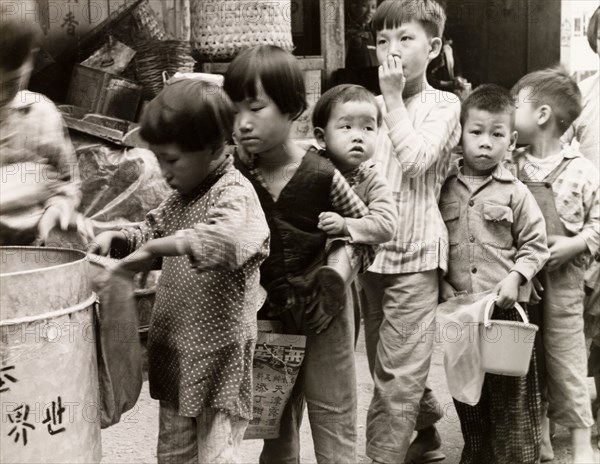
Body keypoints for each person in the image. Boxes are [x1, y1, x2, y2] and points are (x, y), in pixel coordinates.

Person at [90, 79, 270, 463]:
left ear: (214, 148)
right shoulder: (181, 196)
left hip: (219, 360)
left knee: (217, 453)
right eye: (158, 160)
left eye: (172, 160)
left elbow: (225, 240)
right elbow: (152, 229)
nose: (164, 172)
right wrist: (120, 239)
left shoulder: (235, 195)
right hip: (176, 356)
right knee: (173, 454)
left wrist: (155, 248)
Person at [223, 45, 370, 464]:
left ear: (291, 109)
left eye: (255, 108)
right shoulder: (235, 176)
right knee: (275, 421)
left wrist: (338, 275)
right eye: (233, 112)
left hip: (326, 315)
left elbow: (364, 233)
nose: (242, 123)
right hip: (266, 314)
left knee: (334, 412)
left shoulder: (324, 174)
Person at [358, 1, 462, 462]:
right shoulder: (368, 106)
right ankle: (424, 435)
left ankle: (383, 456)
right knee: (386, 363)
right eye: (382, 41)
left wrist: (395, 100)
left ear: (434, 47)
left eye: (405, 39)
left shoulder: (445, 104)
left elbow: (417, 162)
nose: (392, 50)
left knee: (398, 372)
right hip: (370, 252)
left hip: (417, 253)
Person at [439, 84, 549, 463]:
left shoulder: (517, 193)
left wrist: (516, 278)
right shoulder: (444, 189)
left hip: (503, 311)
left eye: (497, 134)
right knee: (466, 390)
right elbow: (436, 241)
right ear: (460, 134)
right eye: (476, 132)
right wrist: (441, 282)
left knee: (510, 393)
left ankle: (513, 457)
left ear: (512, 140)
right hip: (460, 311)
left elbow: (536, 246)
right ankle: (476, 450)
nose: (485, 143)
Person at [511, 67, 599, 463]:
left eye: (516, 105)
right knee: (528, 363)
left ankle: (582, 448)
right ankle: (539, 441)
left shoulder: (581, 169)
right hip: (523, 282)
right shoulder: (512, 166)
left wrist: (576, 242)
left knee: (566, 362)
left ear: (542, 114)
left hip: (565, 284)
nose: (510, 113)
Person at [311, 83, 398, 339]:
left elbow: (386, 225)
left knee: (346, 247)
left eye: (368, 128)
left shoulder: (372, 180)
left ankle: (332, 287)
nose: (358, 135)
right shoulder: (311, 166)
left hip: (347, 254)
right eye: (346, 126)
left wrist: (345, 225)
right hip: (310, 249)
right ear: (320, 136)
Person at [0, 20, 82, 245]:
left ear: (31, 60)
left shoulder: (42, 113)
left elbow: (67, 184)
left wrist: (56, 209)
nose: (1, 95)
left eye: (12, 83)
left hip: (30, 252)